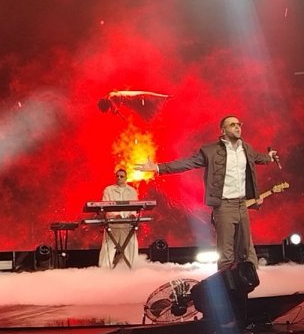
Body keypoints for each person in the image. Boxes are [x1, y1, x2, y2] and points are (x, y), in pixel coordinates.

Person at [135, 115, 277, 270]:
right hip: (224, 206)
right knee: (226, 253)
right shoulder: (211, 151)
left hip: (242, 205)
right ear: (223, 131)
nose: (237, 127)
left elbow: (259, 158)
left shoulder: (246, 148)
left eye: (239, 124)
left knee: (246, 250)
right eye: (232, 125)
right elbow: (187, 163)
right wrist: (158, 167)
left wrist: (269, 158)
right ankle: (226, 281)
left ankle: (249, 280)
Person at [99, 168, 139, 269]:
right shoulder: (108, 190)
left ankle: (131, 269)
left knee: (130, 247)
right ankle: (104, 271)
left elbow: (135, 207)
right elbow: (105, 206)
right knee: (108, 248)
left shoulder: (132, 191)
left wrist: (132, 215)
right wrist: (115, 215)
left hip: (127, 225)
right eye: (117, 176)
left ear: (126, 178)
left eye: (121, 176)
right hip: (113, 225)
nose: (119, 178)